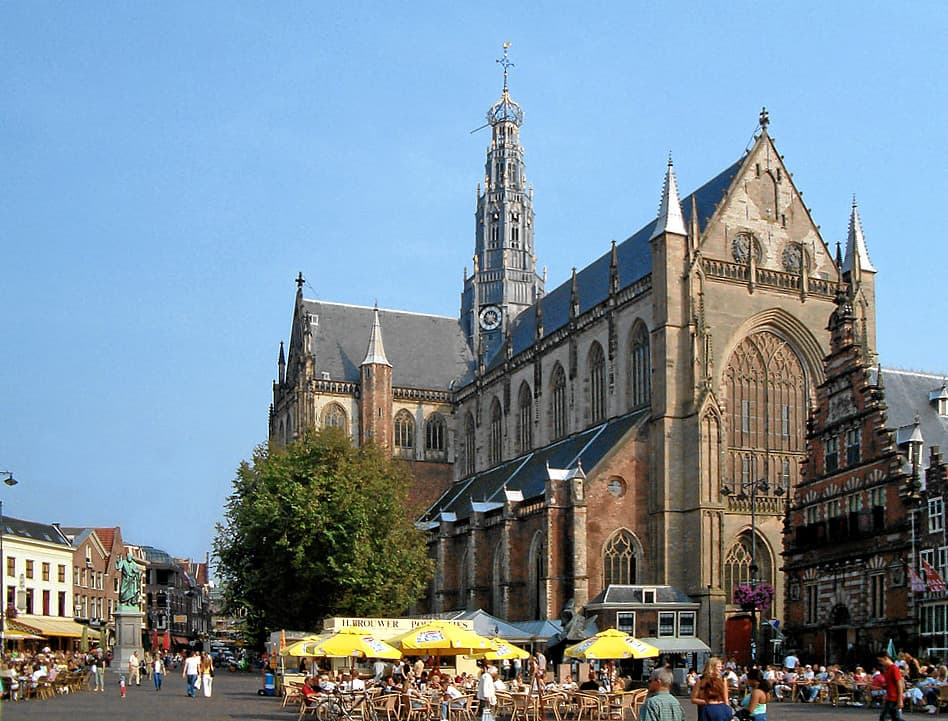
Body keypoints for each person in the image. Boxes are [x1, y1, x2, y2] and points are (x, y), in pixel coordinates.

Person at [690, 657, 730, 721]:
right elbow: (693, 699)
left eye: (721, 666)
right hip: (704, 710)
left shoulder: (722, 680)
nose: (721, 669)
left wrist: (727, 711)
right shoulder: (701, 680)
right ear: (711, 667)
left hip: (719, 710)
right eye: (718, 667)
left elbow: (726, 698)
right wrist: (707, 702)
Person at [878, 653, 905, 721]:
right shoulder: (887, 669)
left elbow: (899, 684)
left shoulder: (894, 668)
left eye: (881, 661)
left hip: (894, 698)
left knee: (884, 717)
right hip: (890, 696)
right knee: (895, 718)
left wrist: (900, 699)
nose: (881, 663)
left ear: (886, 658)